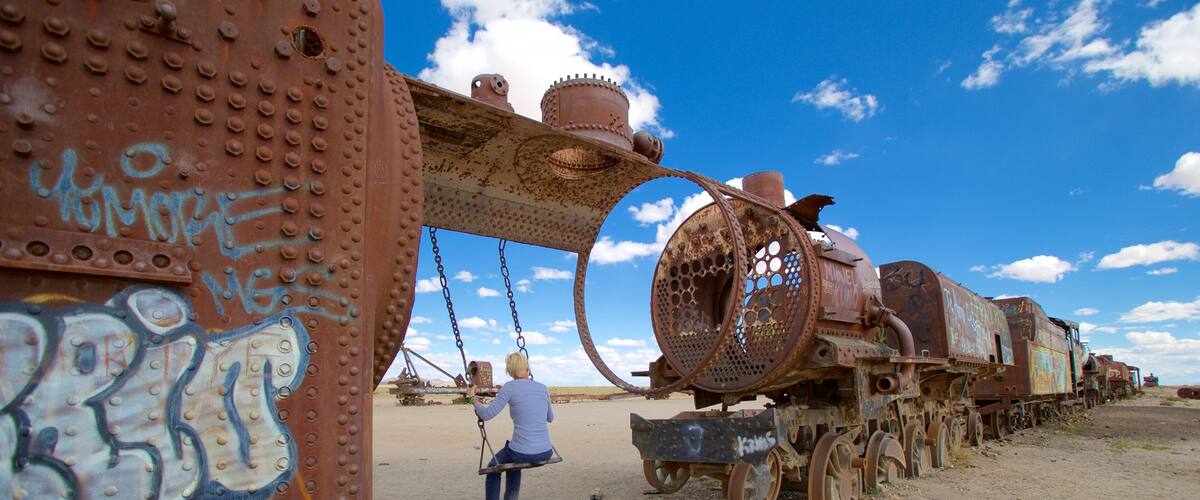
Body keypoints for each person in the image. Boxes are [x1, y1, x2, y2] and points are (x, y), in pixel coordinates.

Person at [468, 352, 555, 500]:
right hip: (546, 451)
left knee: (492, 469)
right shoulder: (542, 387)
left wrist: (473, 399)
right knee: (513, 466)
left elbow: (487, 414)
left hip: (521, 452)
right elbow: (550, 418)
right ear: (527, 367)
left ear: (510, 371)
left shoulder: (509, 387)